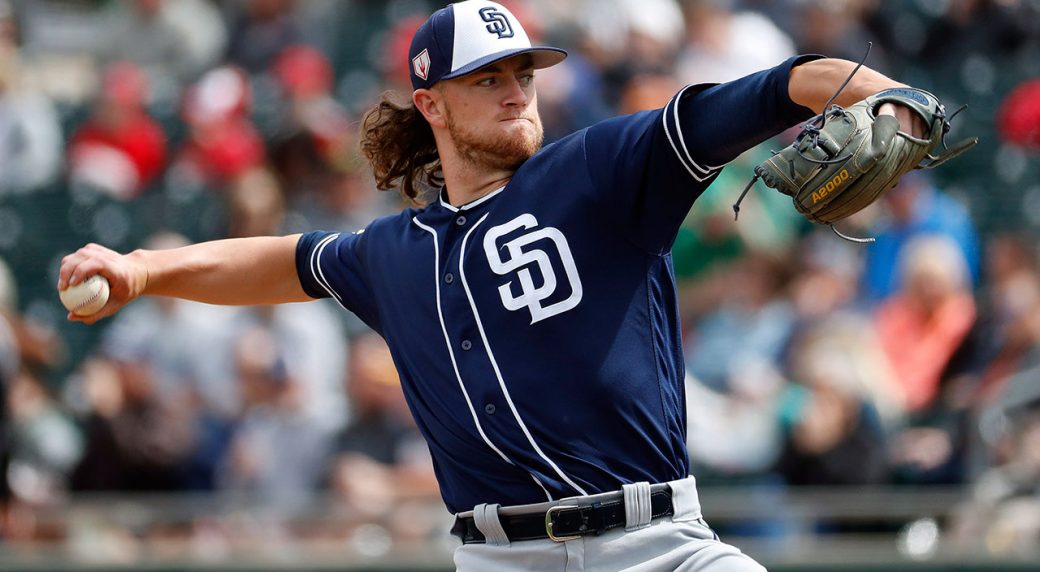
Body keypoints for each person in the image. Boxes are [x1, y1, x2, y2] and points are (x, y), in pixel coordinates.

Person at [58, 1, 927, 569]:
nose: (516, 93)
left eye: (523, 75)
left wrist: (895, 100)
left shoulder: (600, 170)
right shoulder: (393, 253)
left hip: (655, 545)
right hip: (497, 558)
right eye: (488, 80)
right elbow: (284, 261)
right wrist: (144, 270)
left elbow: (781, 87)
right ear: (431, 104)